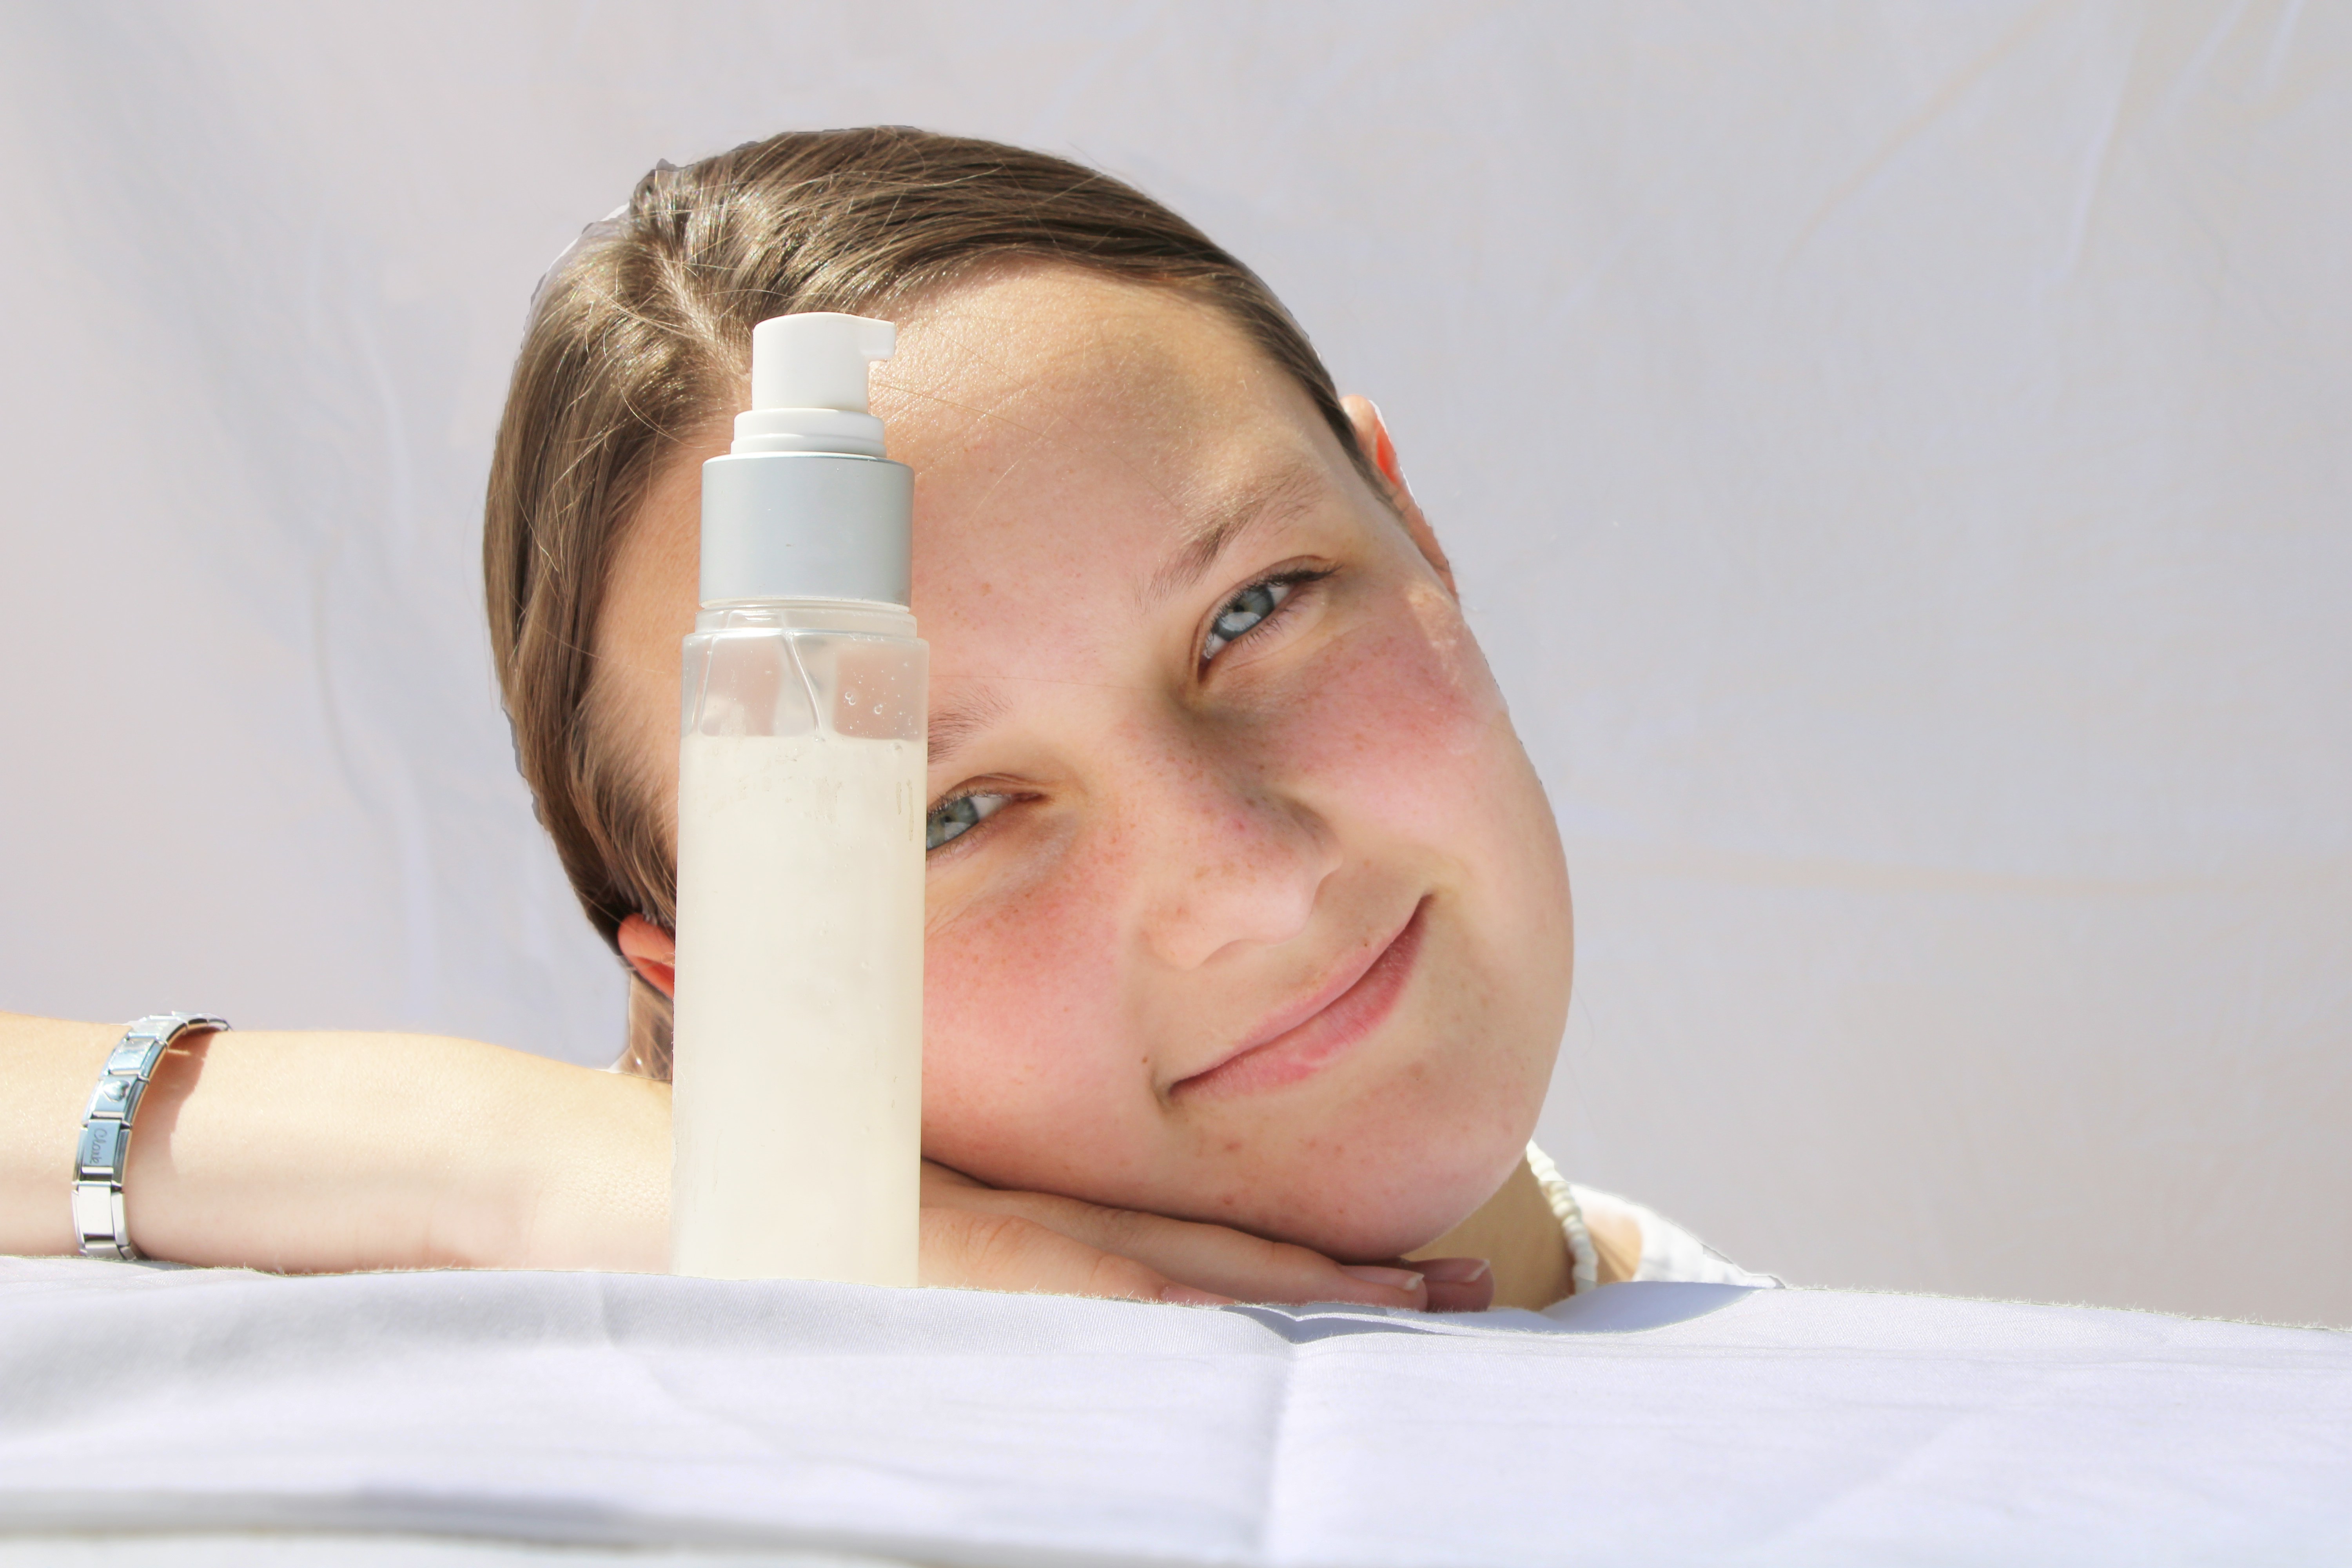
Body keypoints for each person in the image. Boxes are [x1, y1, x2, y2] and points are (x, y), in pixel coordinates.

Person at [0, 128, 1769, 1310]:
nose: (1248, 882)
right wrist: (497, 1156)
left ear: (1411, 522)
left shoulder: (1848, 1414)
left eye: (1255, 606)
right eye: (948, 812)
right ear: (703, 976)